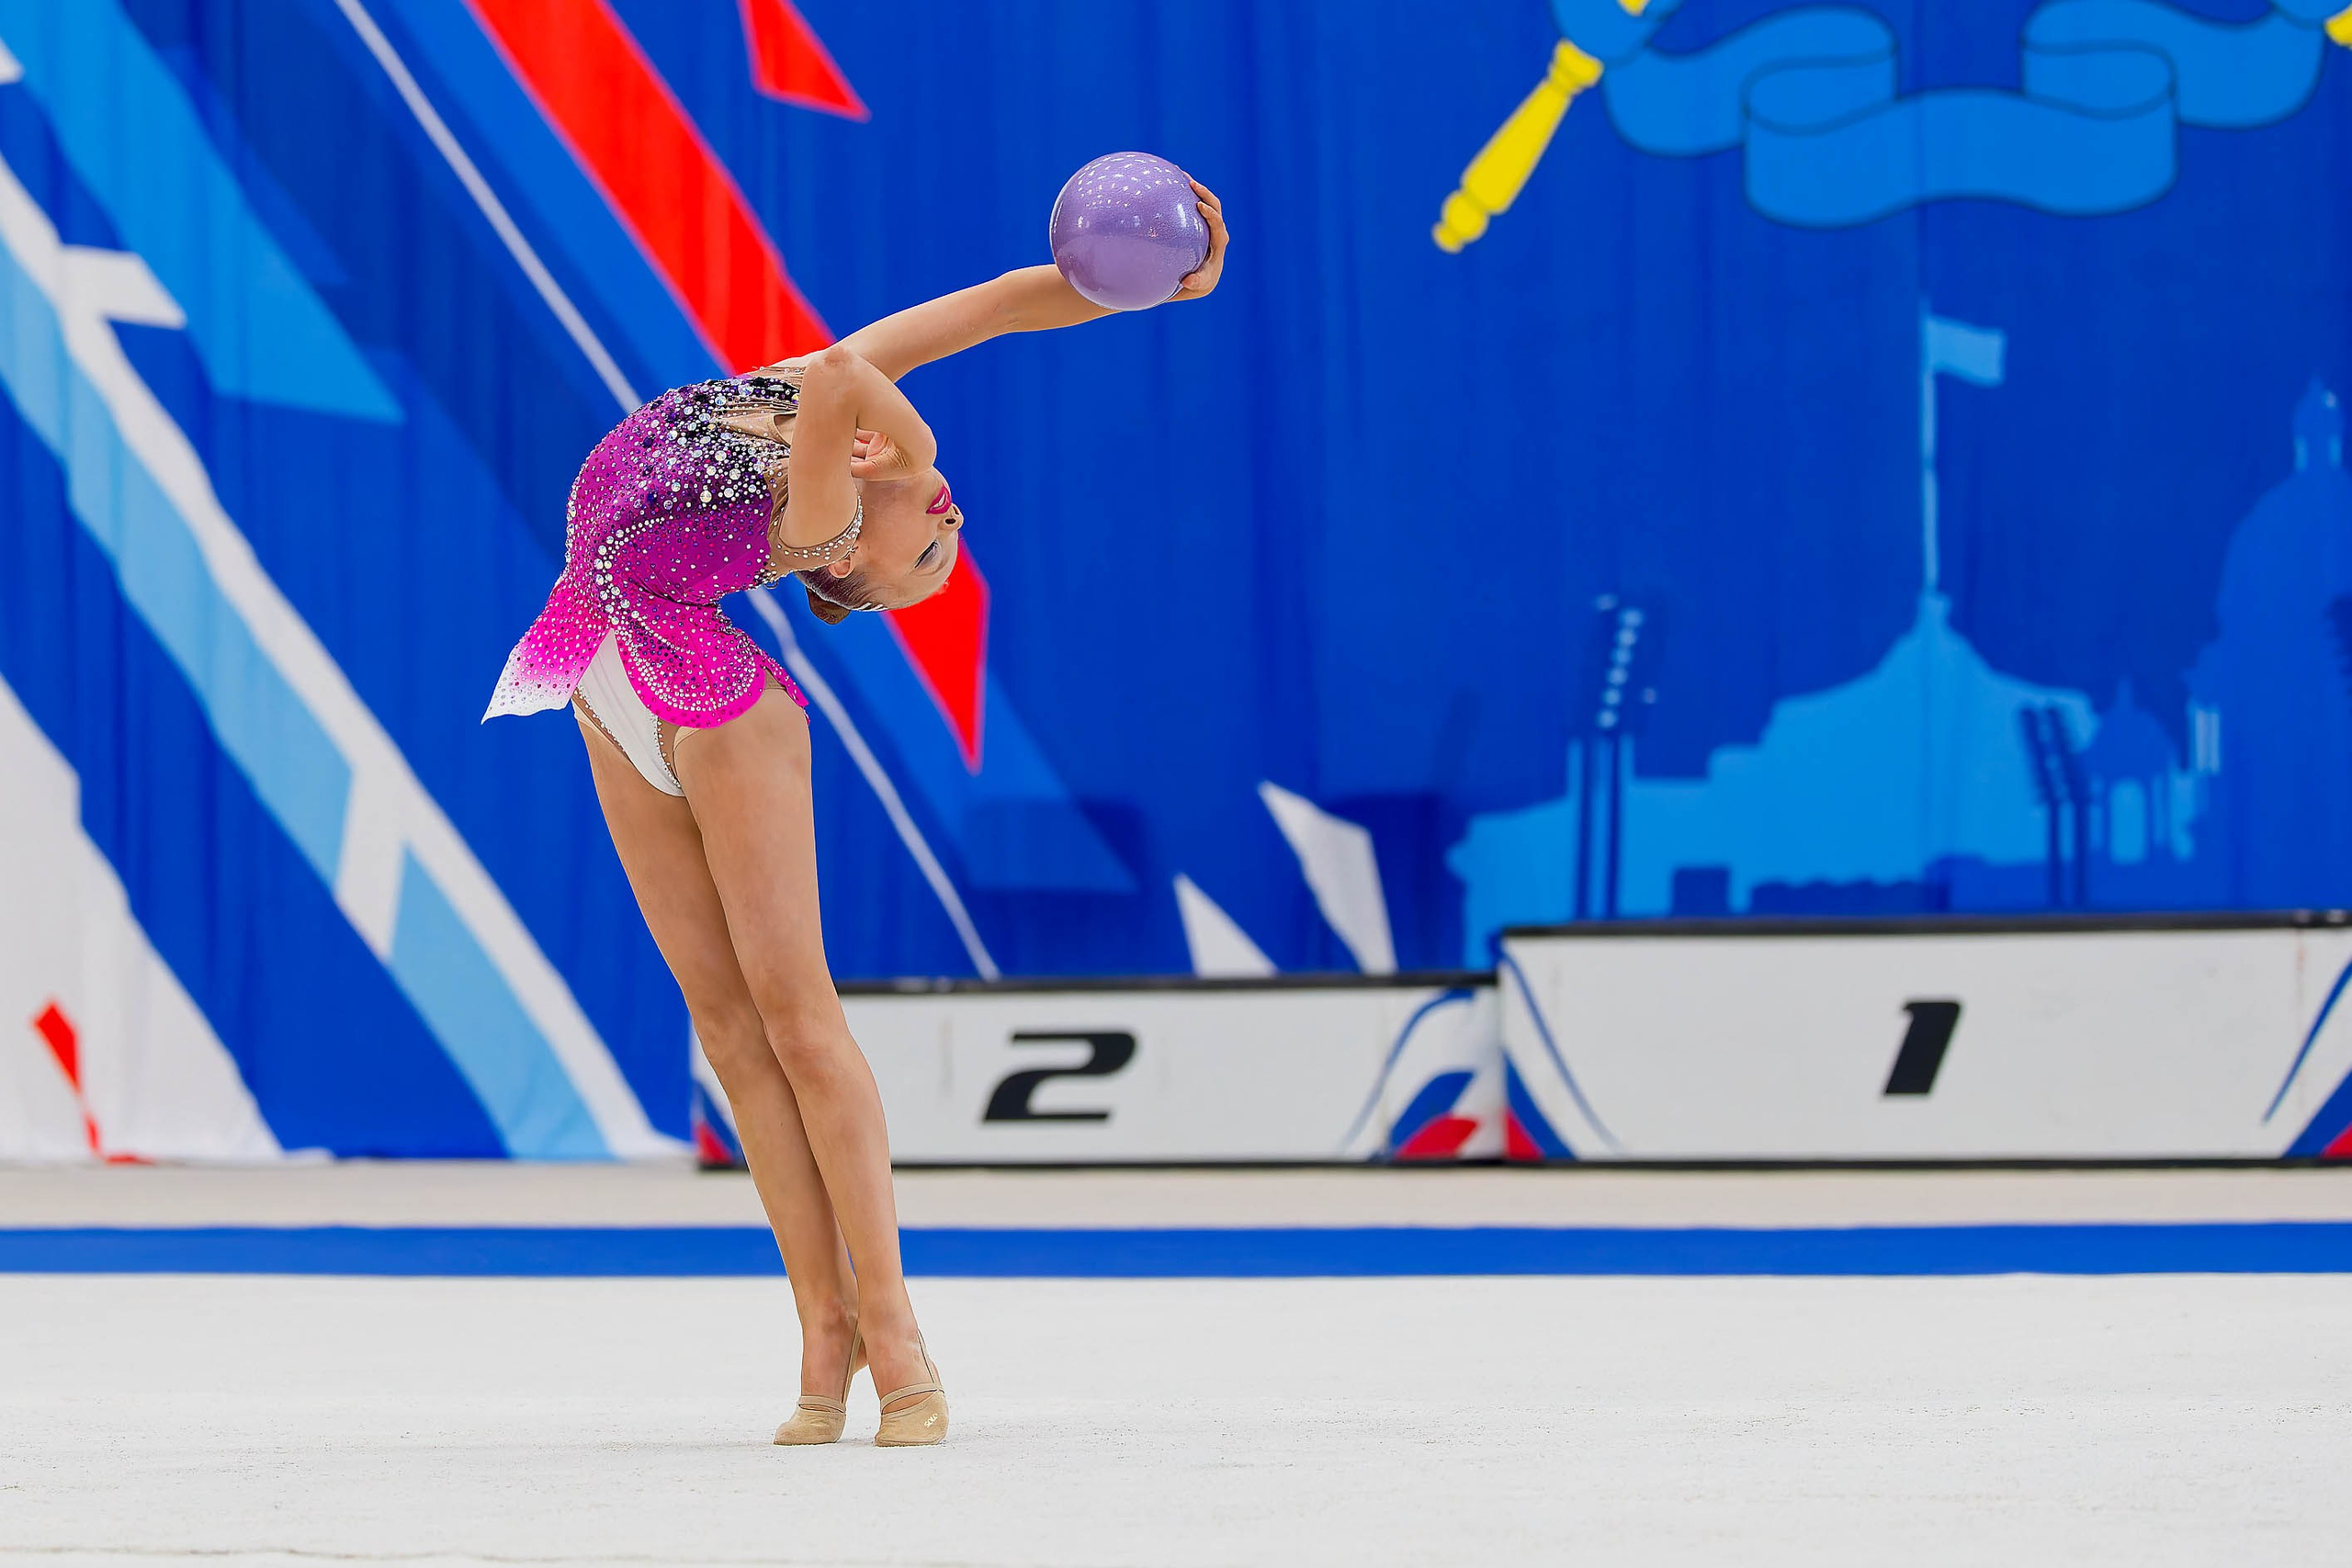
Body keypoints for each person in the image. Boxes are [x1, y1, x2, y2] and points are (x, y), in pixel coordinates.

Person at [483, 183, 1230, 1446]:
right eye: (946, 543)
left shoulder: (823, 498)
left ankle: (895, 1332)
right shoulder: (797, 406)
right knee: (727, 1034)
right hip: (605, 686)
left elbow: (845, 375)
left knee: (796, 1020)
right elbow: (995, 307)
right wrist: (1148, 282)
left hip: (718, 703)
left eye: (925, 567)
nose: (948, 527)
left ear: (841, 560)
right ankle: (819, 1339)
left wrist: (903, 439)